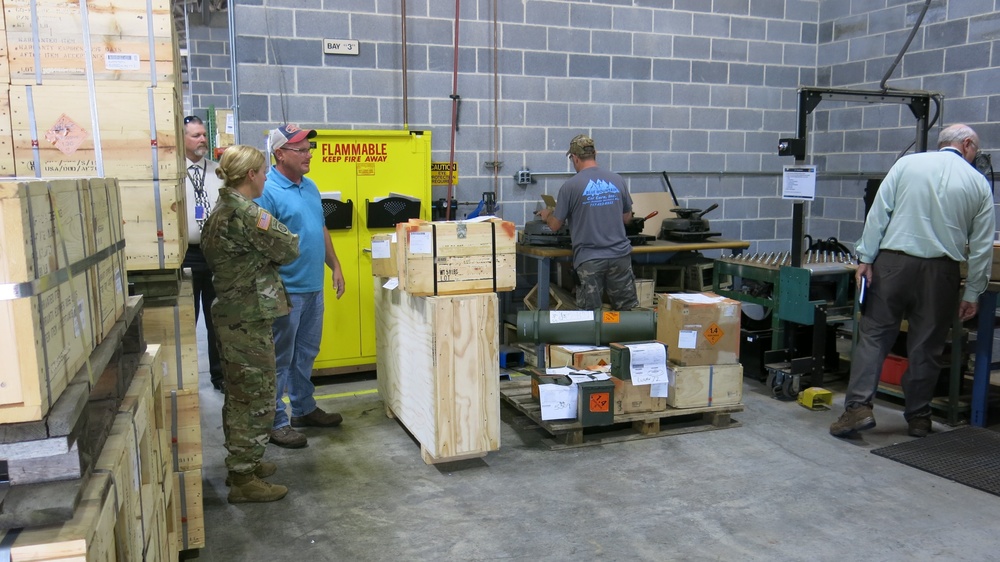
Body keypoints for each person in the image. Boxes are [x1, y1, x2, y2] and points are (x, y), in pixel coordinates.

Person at [830, 124, 996, 439]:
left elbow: (879, 212)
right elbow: (983, 245)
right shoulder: (977, 182)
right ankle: (919, 417)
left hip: (893, 265)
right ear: (966, 145)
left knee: (874, 336)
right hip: (941, 272)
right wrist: (973, 291)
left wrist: (865, 258)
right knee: (927, 345)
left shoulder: (907, 164)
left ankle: (857, 410)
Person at [201, 145, 300, 503]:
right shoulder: (245, 213)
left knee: (240, 391)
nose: (265, 178)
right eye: (262, 172)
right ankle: (244, 480)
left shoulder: (221, 208)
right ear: (251, 176)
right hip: (248, 315)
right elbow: (288, 248)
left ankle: (243, 463)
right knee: (254, 395)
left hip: (234, 311)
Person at [256, 124, 347, 449]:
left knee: (306, 353)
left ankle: (304, 409)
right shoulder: (267, 191)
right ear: (280, 154)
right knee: (280, 358)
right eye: (301, 150)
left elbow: (319, 228)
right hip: (286, 291)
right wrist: (275, 289)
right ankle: (276, 422)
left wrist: (334, 265)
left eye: (309, 148)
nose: (309, 154)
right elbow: (261, 245)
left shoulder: (309, 187)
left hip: (313, 287)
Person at [537, 134, 639, 310]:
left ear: (574, 158)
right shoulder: (617, 180)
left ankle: (594, 339)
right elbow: (626, 217)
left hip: (590, 260)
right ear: (595, 153)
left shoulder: (570, 186)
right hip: (619, 257)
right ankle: (627, 338)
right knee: (627, 312)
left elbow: (555, 225)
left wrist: (548, 215)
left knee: (589, 317)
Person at [181, 115, 225, 392]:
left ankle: (220, 377)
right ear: (182, 139)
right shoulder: (173, 172)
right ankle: (185, 379)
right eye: (196, 135)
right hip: (186, 254)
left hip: (216, 254)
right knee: (188, 317)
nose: (202, 140)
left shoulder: (218, 172)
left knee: (216, 318)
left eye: (204, 135)